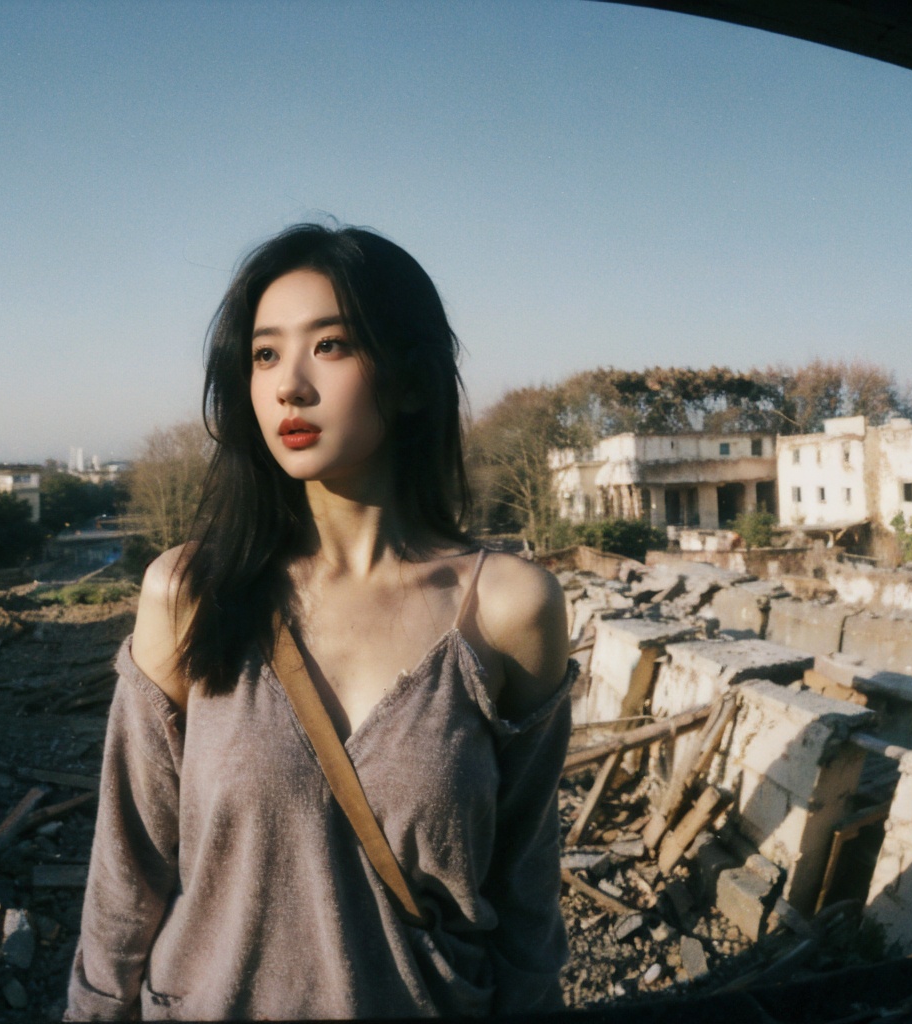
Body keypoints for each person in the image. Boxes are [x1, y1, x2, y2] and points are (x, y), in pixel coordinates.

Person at [66, 224, 573, 1020]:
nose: (287, 387)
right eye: (265, 354)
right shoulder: (190, 591)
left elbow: (526, 884)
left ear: (408, 378)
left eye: (330, 346)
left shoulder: (509, 607)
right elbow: (126, 870)